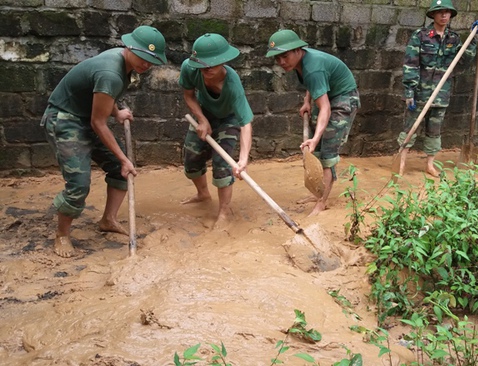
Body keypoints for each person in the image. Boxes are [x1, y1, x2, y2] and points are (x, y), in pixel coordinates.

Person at [41, 25, 167, 258]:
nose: (146, 64)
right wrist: (123, 158)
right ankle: (62, 235)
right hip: (65, 119)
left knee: (120, 172)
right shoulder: (111, 72)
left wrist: (117, 112)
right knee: (79, 183)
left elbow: (101, 95)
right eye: (143, 57)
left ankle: (108, 220)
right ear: (129, 47)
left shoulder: (122, 62)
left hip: (84, 115)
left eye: (152, 60)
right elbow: (97, 123)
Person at [266, 29, 360, 216]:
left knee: (326, 152)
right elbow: (314, 83)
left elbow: (325, 107)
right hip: (329, 95)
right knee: (315, 154)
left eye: (284, 56)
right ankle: (319, 192)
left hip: (343, 98)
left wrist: (315, 138)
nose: (281, 62)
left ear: (298, 50)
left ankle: (322, 202)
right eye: (277, 58)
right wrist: (307, 101)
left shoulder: (313, 67)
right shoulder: (302, 64)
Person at [399, 0, 478, 177]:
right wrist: (409, 91)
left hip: (441, 94)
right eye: (440, 12)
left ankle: (430, 164)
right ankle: (401, 161)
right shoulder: (420, 36)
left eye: (447, 12)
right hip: (420, 93)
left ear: (450, 15)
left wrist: (473, 39)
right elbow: (411, 64)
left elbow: (463, 61)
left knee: (434, 131)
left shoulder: (454, 38)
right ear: (433, 14)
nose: (444, 15)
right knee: (410, 128)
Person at [179, 33, 253, 229]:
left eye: (211, 64)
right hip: (203, 113)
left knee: (222, 165)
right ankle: (203, 194)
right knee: (191, 159)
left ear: (223, 61)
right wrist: (202, 120)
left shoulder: (232, 84)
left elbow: (246, 122)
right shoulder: (189, 67)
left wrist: (243, 160)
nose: (206, 69)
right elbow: (188, 95)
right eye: (201, 65)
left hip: (228, 119)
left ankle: (224, 211)